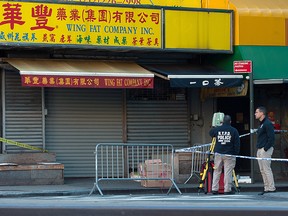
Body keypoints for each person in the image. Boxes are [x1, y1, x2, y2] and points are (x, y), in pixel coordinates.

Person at [209, 115, 240, 195]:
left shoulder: (218, 129)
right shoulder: (234, 130)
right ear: (230, 122)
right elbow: (237, 143)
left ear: (222, 122)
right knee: (228, 172)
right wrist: (236, 153)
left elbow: (210, 133)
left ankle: (214, 189)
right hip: (229, 154)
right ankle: (227, 189)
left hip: (218, 153)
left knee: (216, 171)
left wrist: (215, 126)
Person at [254, 106, 276, 195]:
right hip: (260, 149)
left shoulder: (267, 123)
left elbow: (272, 138)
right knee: (262, 170)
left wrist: (265, 148)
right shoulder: (262, 124)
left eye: (256, 112)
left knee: (266, 169)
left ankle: (271, 187)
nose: (255, 114)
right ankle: (266, 187)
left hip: (265, 149)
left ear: (261, 113)